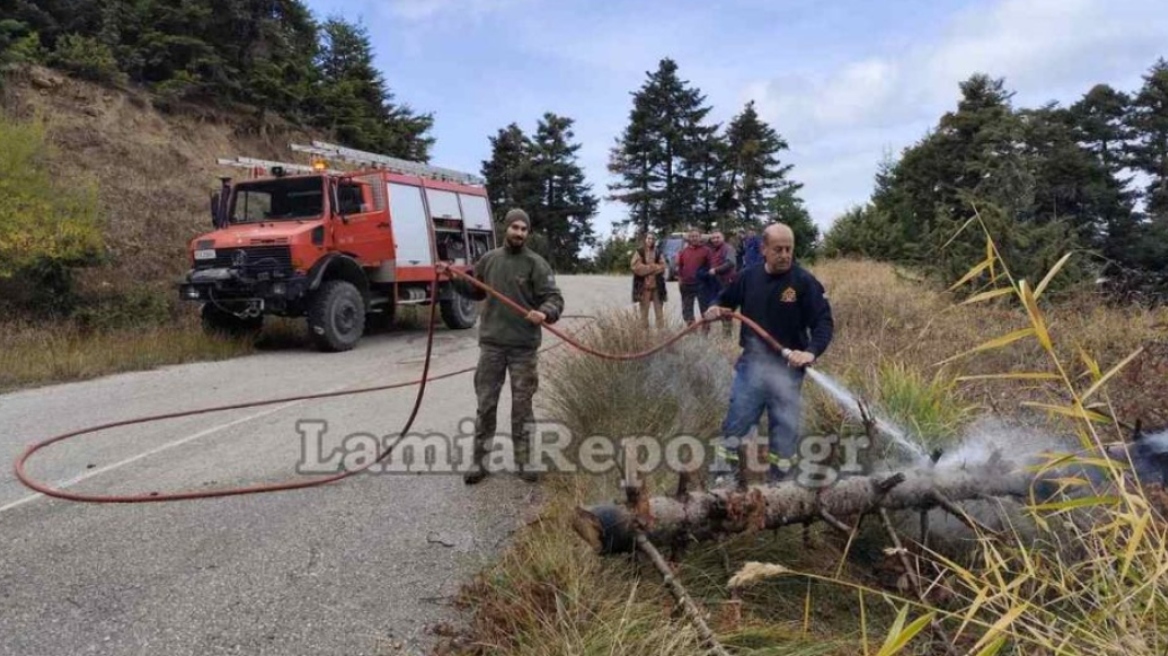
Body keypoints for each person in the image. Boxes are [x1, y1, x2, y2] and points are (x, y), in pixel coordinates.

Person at [704, 222, 834, 483]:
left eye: (789, 249)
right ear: (763, 249)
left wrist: (810, 352)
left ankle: (780, 486)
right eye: (778, 249)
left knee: (784, 430)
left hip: (788, 370)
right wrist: (715, 307)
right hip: (751, 366)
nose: (785, 255)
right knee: (737, 421)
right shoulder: (747, 277)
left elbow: (823, 322)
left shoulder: (804, 282)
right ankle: (723, 479)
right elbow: (724, 299)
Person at [443, 208, 565, 485]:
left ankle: (524, 461)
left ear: (527, 233)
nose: (519, 233)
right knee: (486, 405)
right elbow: (474, 288)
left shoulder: (536, 264)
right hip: (492, 347)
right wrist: (453, 277)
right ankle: (479, 461)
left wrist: (544, 312)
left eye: (524, 229)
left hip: (523, 348)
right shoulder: (489, 260)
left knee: (522, 407)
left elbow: (555, 298)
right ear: (506, 229)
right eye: (515, 228)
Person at [674, 228, 713, 332]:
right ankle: (692, 332)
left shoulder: (707, 251)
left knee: (705, 310)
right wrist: (680, 280)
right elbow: (680, 267)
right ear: (689, 238)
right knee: (687, 311)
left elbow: (711, 268)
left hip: (701, 285)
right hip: (687, 285)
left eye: (696, 236)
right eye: (692, 236)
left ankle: (705, 334)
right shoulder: (683, 251)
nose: (694, 238)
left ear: (700, 237)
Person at [630, 232, 667, 329]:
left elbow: (663, 267)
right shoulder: (639, 252)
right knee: (644, 313)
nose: (650, 240)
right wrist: (652, 268)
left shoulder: (658, 252)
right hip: (644, 287)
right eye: (648, 238)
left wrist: (648, 269)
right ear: (645, 240)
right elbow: (636, 267)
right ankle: (645, 335)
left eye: (652, 239)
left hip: (657, 287)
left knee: (659, 313)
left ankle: (661, 334)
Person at [704, 231, 737, 337]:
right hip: (716, 284)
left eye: (717, 237)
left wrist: (716, 270)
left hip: (727, 284)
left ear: (723, 238)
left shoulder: (728, 248)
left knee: (726, 310)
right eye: (713, 238)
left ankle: (727, 335)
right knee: (713, 308)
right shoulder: (713, 250)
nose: (715, 239)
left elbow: (730, 263)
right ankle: (708, 334)